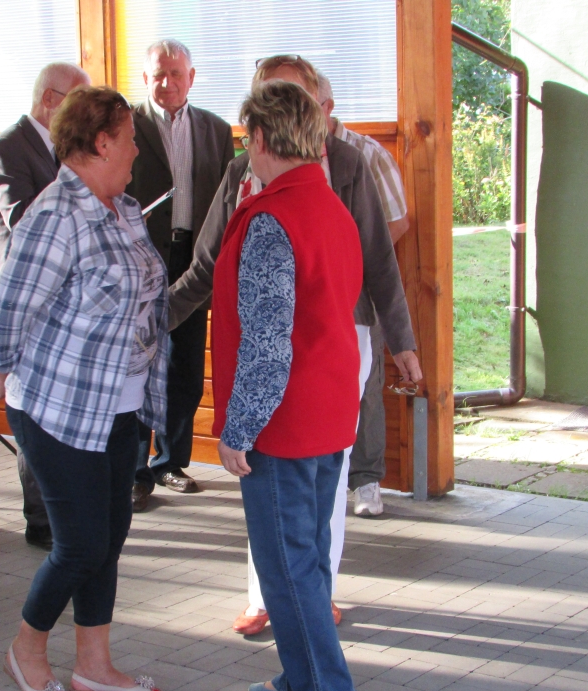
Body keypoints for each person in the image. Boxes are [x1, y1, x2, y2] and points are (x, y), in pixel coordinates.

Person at [168, 55, 423, 636]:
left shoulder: (349, 164)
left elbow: (378, 259)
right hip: (265, 346)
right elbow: (206, 264)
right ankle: (270, 600)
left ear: (313, 109)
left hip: (333, 341)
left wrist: (401, 340)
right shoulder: (241, 171)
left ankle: (313, 600)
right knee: (266, 480)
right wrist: (155, 319)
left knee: (314, 484)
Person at [0, 86, 167, 691]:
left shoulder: (123, 208)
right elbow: (5, 310)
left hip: (118, 403)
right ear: (102, 142)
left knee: (108, 538)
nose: (137, 150)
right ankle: (26, 648)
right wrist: (2, 365)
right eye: (130, 138)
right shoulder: (57, 214)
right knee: (81, 544)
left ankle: (94, 665)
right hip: (57, 406)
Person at [214, 79, 363, 691]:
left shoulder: (273, 219)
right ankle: (300, 673)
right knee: (307, 555)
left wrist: (238, 428)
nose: (245, 149)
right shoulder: (330, 208)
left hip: (285, 422)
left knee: (285, 564)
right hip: (328, 411)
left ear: (262, 138)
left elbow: (268, 343)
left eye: (247, 138)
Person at [0, 62, 91, 550]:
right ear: (50, 100)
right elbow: (23, 218)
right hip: (25, 298)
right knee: (31, 407)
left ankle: (67, 509)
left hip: (67, 297)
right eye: (76, 102)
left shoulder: (67, 148)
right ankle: (40, 521)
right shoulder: (8, 148)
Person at [126, 40, 235, 512]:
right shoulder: (125, 123)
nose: (167, 82)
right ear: (144, 78)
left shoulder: (216, 129)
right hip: (142, 259)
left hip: (196, 260)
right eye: (158, 74)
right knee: (137, 366)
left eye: (176, 73)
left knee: (185, 369)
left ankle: (170, 461)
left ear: (192, 77)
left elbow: (227, 199)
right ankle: (133, 471)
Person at [317, 71, 410, 519]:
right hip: (312, 295)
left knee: (366, 385)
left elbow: (397, 222)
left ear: (327, 107)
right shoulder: (279, 155)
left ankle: (367, 479)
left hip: (358, 291)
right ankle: (325, 478)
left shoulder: (366, 154)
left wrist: (350, 261)